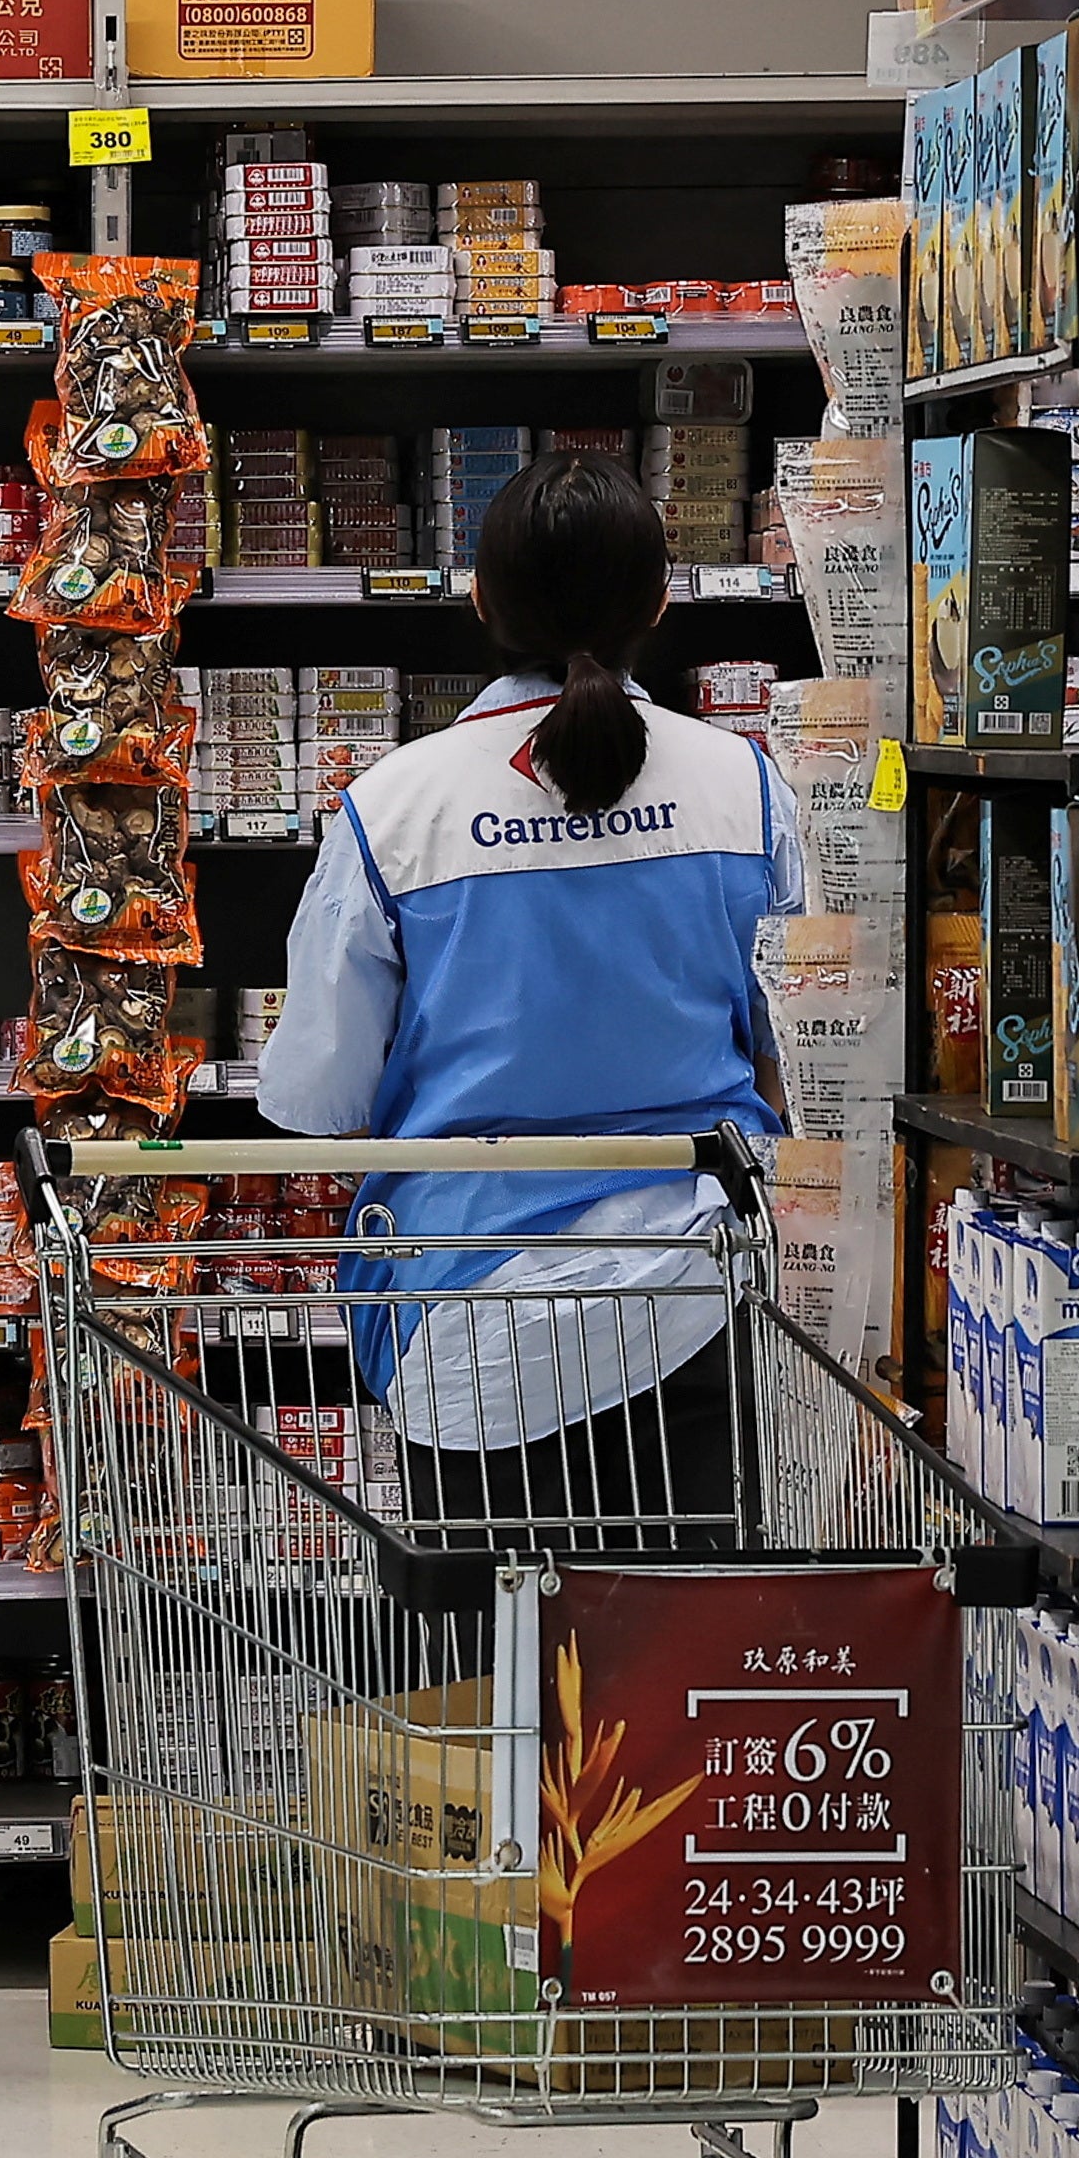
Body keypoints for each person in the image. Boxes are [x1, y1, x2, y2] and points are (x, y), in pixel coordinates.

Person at [252, 449, 807, 1546]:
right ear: (659, 599)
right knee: (677, 1667)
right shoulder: (742, 784)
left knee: (495, 1677)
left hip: (468, 1314)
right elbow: (794, 1036)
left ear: (478, 601)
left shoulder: (391, 807)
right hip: (696, 1287)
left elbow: (312, 1095)